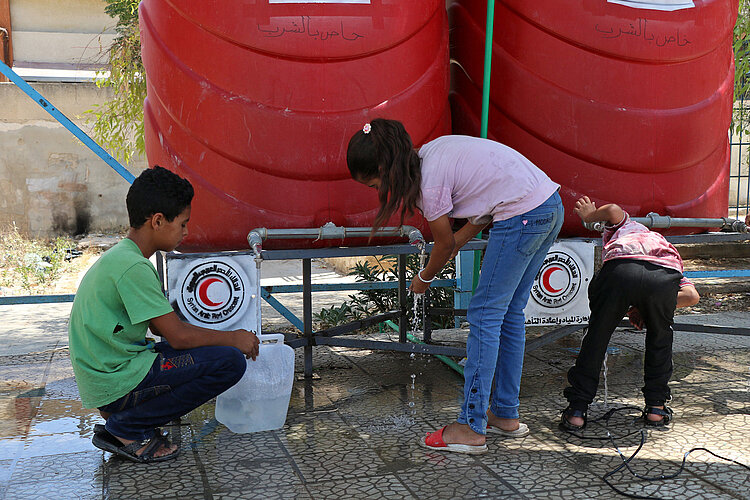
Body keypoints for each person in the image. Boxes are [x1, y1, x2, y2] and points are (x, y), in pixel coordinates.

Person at [347, 118, 564, 454]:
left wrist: (424, 278)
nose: (378, 192)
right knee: (508, 314)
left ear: (385, 168)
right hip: (548, 205)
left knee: (484, 315)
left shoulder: (429, 183)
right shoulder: (432, 155)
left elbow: (444, 245)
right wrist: (446, 251)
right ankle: (505, 414)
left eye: (374, 183)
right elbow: (476, 220)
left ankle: (470, 426)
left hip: (522, 216)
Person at [68, 166, 260, 463]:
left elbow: (160, 329)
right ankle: (127, 426)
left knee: (213, 350)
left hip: (109, 377)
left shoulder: (124, 257)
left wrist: (218, 338)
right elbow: (178, 337)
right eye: (183, 224)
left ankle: (129, 419)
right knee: (229, 361)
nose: (186, 232)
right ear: (157, 221)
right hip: (115, 381)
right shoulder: (134, 267)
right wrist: (234, 338)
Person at [560, 196, 699, 431]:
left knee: (597, 337)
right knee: (660, 338)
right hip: (663, 277)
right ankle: (656, 408)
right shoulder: (666, 250)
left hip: (620, 270)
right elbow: (691, 296)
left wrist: (589, 216)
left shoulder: (628, 227)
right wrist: (647, 307)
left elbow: (613, 210)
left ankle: (577, 410)